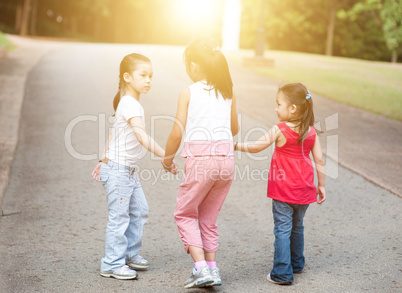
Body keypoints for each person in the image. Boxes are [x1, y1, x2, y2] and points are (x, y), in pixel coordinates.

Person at [162, 38, 240, 289]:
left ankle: (200, 268)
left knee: (184, 213)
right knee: (208, 217)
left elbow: (177, 132)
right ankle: (213, 269)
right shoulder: (228, 92)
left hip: (201, 162)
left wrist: (167, 157)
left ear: (194, 66)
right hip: (226, 161)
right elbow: (234, 128)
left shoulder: (189, 91)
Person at [91, 53, 175, 280]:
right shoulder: (130, 104)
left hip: (125, 170)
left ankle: (129, 254)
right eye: (143, 75)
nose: (148, 80)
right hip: (119, 171)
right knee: (119, 218)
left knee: (139, 210)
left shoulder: (129, 102)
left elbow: (113, 132)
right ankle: (111, 263)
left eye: (151, 76)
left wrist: (101, 160)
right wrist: (167, 156)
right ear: (127, 77)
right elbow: (141, 136)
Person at [235, 83, 326, 285]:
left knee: (282, 229)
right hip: (304, 191)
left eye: (278, 104)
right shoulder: (311, 131)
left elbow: (257, 146)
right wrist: (321, 185)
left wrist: (235, 145)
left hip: (283, 192)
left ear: (292, 108)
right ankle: (296, 263)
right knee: (297, 226)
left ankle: (282, 273)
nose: (275, 108)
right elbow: (319, 160)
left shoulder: (279, 129)